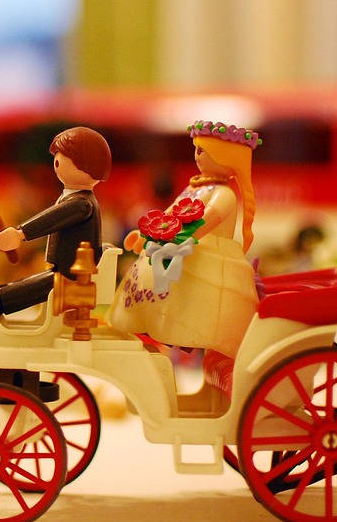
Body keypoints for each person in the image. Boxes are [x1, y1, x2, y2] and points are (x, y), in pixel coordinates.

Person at [109, 121, 260, 373]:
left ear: (223, 156)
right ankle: (154, 333)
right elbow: (168, 216)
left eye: (202, 150)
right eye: (196, 150)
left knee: (192, 303)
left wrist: (172, 239)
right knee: (152, 279)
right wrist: (145, 234)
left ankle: (178, 344)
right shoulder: (195, 187)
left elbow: (202, 223)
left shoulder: (224, 195)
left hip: (205, 258)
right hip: (185, 249)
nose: (196, 156)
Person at [0, 126, 111, 315]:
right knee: (39, 282)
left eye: (61, 158)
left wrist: (21, 233)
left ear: (84, 164)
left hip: (73, 272)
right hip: (67, 268)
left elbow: (52, 219)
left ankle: (0, 300)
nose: (56, 162)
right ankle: (0, 296)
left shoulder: (81, 204)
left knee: (38, 286)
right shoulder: (75, 198)